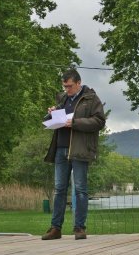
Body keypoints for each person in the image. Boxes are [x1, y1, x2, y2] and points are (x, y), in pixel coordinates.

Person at [42, 68, 106, 240]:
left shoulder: (91, 98)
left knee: (81, 190)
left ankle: (79, 228)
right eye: (64, 86)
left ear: (78, 83)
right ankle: (55, 228)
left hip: (79, 149)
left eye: (69, 86)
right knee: (59, 190)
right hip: (60, 149)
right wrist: (51, 114)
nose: (66, 90)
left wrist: (75, 123)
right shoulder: (62, 99)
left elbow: (99, 121)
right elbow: (54, 121)